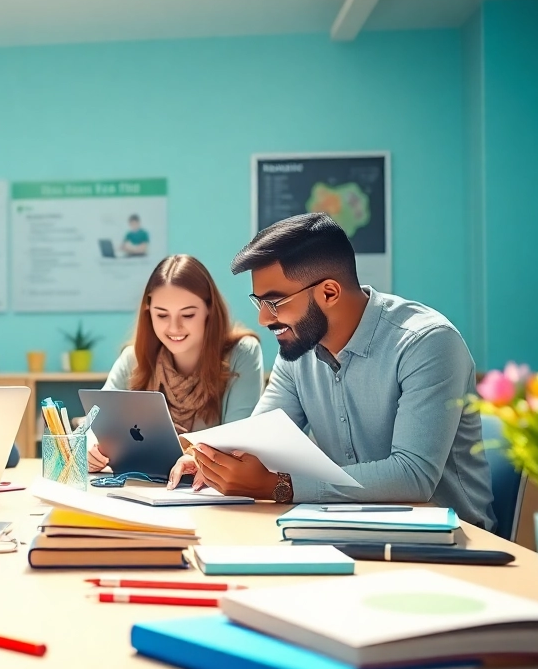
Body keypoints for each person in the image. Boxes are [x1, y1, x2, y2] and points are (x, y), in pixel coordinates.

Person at [173, 213, 495, 531]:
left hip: (450, 542)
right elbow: (258, 443)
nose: (264, 320)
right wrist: (213, 459)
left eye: (275, 303)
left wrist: (279, 486)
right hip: (340, 528)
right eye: (260, 303)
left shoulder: (427, 344)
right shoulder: (298, 349)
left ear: (329, 292)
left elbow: (413, 476)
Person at [89, 254, 263, 473]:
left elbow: (238, 439)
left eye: (188, 315)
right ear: (148, 311)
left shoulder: (242, 353)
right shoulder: (134, 357)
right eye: (162, 315)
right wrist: (89, 448)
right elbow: (96, 421)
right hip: (142, 487)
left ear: (209, 309)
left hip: (208, 493)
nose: (174, 328)